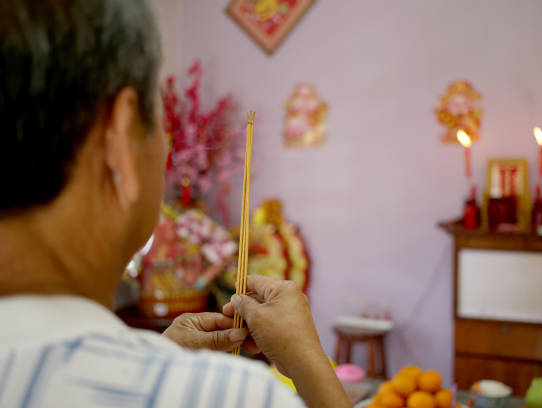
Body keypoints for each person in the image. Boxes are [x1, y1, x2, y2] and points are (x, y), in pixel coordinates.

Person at [0, 1, 351, 407]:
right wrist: (309, 363)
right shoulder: (231, 397)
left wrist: (161, 358)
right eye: (160, 119)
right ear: (119, 140)